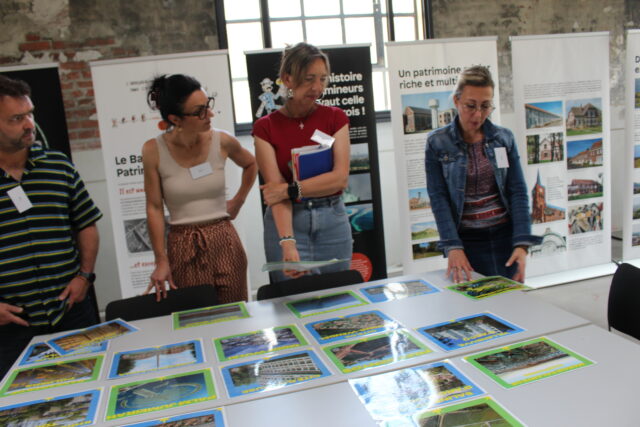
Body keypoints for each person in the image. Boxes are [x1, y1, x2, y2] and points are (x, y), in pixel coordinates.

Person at [0, 75, 102, 379]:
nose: (29, 124)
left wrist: (84, 276)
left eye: (30, 114)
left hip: (71, 312)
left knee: (90, 385)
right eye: (16, 118)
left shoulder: (58, 166)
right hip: (10, 327)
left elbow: (86, 223)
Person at [143, 74, 257, 303]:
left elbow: (251, 163)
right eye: (200, 111)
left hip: (224, 239)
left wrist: (239, 200)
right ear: (175, 119)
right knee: (196, 315)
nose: (210, 114)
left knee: (235, 314)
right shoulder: (153, 150)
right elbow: (154, 207)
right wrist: (161, 260)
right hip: (183, 243)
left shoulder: (222, 140)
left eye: (208, 105)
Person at [425, 65, 541, 283]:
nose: (478, 114)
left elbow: (517, 191)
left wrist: (521, 243)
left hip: (505, 239)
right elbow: (438, 197)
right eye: (471, 106)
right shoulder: (437, 142)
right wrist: (453, 246)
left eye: (485, 106)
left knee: (510, 299)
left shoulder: (503, 138)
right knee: (471, 300)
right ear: (456, 101)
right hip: (466, 243)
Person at [253, 42, 352, 283]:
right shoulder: (265, 127)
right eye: (309, 79)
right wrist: (288, 243)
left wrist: (290, 190)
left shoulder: (335, 118)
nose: (317, 87)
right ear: (288, 79)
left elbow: (340, 179)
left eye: (322, 79)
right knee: (292, 300)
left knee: (339, 296)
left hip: (333, 220)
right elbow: (275, 194)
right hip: (288, 224)